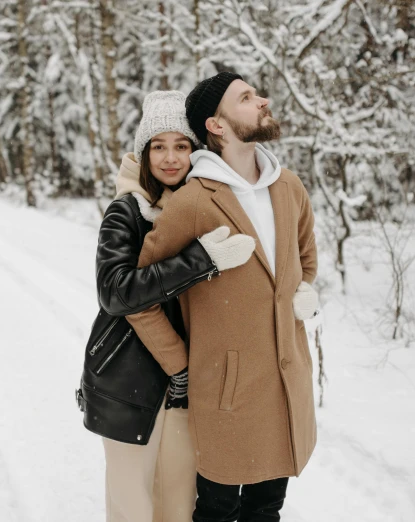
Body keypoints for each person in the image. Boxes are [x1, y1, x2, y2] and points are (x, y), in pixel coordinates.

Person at [125, 72, 320, 522]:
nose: (262, 101)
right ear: (216, 124)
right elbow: (141, 295)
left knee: (267, 509)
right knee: (217, 510)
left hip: (286, 382)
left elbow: (305, 256)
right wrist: (182, 364)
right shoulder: (193, 202)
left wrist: (305, 289)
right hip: (227, 393)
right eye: (247, 97)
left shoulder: (288, 187)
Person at [78, 90, 256, 522]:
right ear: (144, 153)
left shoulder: (202, 208)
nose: (170, 158)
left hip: (186, 386)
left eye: (181, 146)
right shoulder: (127, 211)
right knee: (132, 506)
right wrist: (200, 261)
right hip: (126, 382)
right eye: (158, 146)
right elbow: (115, 291)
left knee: (177, 502)